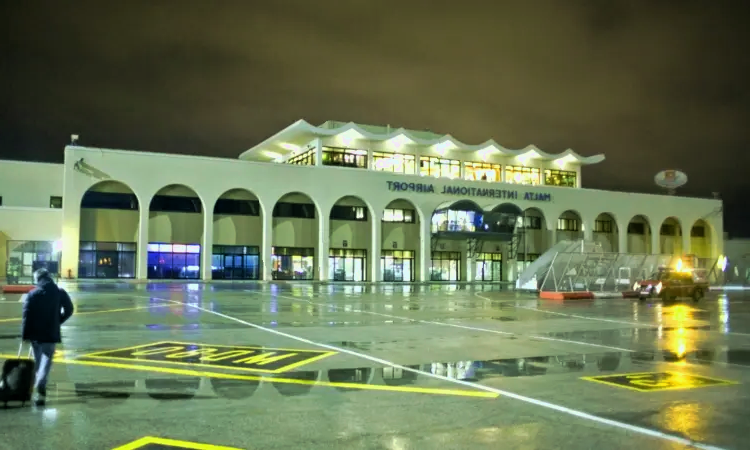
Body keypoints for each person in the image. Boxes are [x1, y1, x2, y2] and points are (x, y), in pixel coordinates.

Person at [20, 268, 74, 406]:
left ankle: (39, 380)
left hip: (35, 333)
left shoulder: (32, 294)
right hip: (50, 332)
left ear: (37, 279)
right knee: (47, 358)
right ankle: (41, 382)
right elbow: (69, 309)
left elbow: (26, 316)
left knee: (38, 359)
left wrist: (25, 335)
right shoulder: (59, 292)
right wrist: (58, 321)